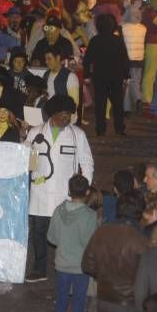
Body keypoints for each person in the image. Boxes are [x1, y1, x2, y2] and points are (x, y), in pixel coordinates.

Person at [26, 95, 94, 282]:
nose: (68, 119)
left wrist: (82, 188)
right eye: (64, 115)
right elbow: (25, 158)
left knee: (66, 233)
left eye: (70, 115)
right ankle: (39, 268)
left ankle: (66, 268)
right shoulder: (35, 133)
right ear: (53, 113)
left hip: (66, 194)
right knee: (39, 231)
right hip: (40, 191)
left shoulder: (77, 135)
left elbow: (86, 162)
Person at [82, 190, 149, 312]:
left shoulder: (101, 232)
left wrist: (105, 276)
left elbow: (87, 265)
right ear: (140, 212)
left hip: (104, 299)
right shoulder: (141, 240)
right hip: (129, 304)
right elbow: (147, 278)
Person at [47, 174, 98, 312]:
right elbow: (90, 243)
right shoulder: (90, 216)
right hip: (80, 267)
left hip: (61, 265)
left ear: (69, 191)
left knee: (61, 301)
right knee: (79, 303)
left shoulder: (58, 210)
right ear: (87, 192)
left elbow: (51, 238)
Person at [82, 13, 129, 136]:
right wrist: (126, 75)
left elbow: (87, 60)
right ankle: (119, 128)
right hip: (116, 77)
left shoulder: (95, 40)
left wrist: (86, 75)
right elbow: (124, 59)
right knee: (118, 104)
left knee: (100, 105)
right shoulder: (118, 40)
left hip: (99, 77)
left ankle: (101, 129)